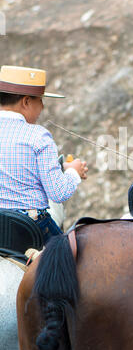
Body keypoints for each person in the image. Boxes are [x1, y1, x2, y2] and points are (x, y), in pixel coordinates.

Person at [0, 65, 88, 243]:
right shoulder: (38, 135)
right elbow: (58, 193)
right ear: (26, 102)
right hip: (29, 225)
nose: (42, 107)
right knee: (71, 263)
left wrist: (61, 166)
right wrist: (73, 172)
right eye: (40, 100)